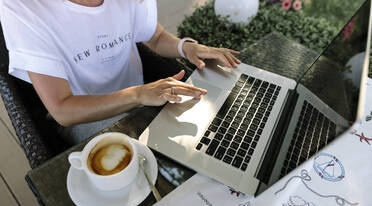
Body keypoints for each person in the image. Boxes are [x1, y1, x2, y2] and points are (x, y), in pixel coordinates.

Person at [0, 0, 241, 144]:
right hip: (83, 115)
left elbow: (154, 38)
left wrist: (185, 47)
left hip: (142, 100)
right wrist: (137, 95)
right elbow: (63, 109)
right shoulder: (23, 8)